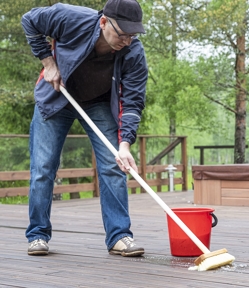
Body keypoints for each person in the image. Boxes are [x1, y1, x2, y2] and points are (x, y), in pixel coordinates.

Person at [21, 0, 148, 257]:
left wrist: (124, 145)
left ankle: (119, 236)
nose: (127, 41)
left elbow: (132, 102)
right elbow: (29, 20)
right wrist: (48, 62)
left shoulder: (133, 52)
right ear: (104, 22)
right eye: (122, 34)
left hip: (98, 103)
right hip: (57, 96)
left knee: (114, 165)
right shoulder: (70, 18)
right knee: (43, 167)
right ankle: (37, 235)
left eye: (132, 35)